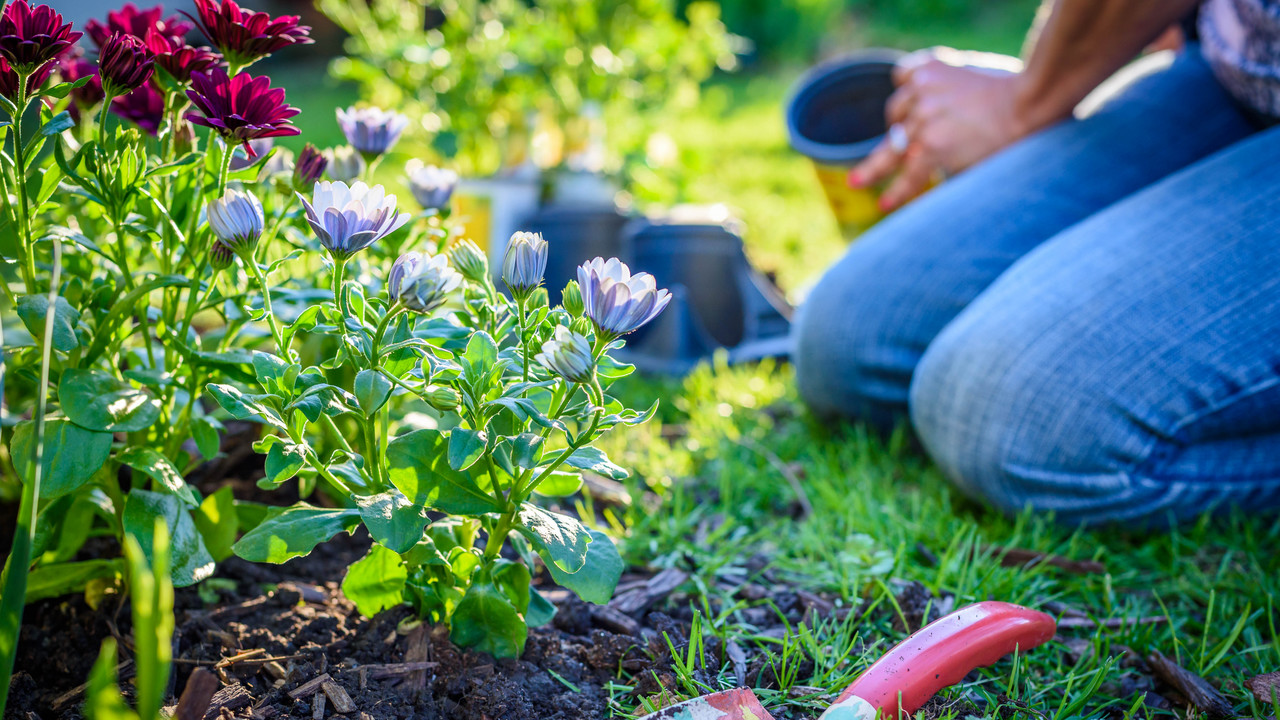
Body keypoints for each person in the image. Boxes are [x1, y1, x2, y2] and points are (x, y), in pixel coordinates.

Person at [793, 0, 1280, 526]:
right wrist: (1030, 98)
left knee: (1015, 419)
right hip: (1232, 75)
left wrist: (1027, 102)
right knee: (847, 336)